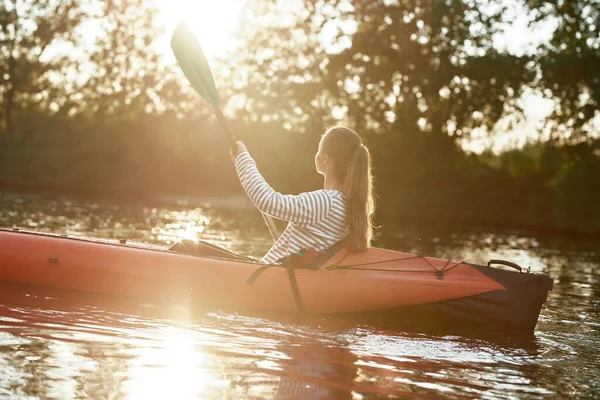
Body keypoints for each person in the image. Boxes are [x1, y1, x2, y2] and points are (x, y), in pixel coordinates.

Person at [232, 126, 376, 264]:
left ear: (325, 159)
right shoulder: (346, 204)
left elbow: (267, 201)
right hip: (286, 273)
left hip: (272, 278)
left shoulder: (326, 202)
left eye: (318, 149)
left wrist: (243, 158)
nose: (316, 153)